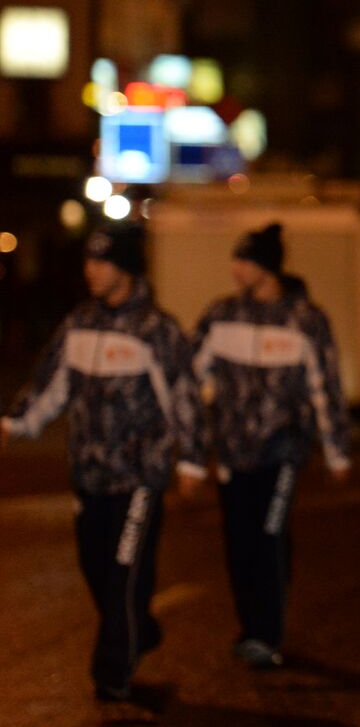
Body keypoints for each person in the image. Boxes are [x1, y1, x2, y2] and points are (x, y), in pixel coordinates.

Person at [0, 223, 204, 701]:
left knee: (125, 576)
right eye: (89, 261)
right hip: (88, 475)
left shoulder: (158, 330)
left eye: (102, 261)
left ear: (126, 267)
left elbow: (184, 400)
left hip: (139, 477)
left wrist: (191, 462)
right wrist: (13, 424)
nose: (90, 270)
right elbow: (49, 386)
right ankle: (139, 631)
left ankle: (112, 676)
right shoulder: (79, 324)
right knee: (97, 572)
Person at [191, 223, 351, 670]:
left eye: (244, 259)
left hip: (283, 450)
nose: (234, 268)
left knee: (268, 537)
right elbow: (190, 376)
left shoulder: (306, 320)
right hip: (232, 449)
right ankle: (251, 627)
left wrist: (336, 450)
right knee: (239, 543)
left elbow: (326, 388)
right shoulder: (222, 315)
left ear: (266, 267)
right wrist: (191, 446)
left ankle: (267, 632)